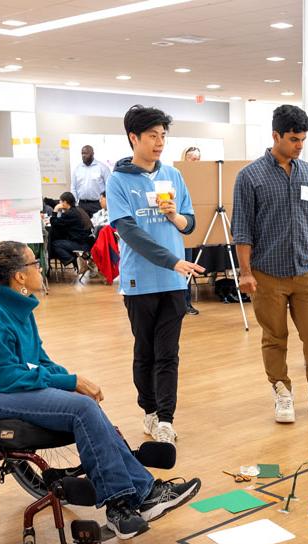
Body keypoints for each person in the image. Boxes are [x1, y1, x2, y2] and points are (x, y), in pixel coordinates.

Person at [0, 241, 201, 539]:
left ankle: (143, 493)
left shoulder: (19, 306)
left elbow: (39, 361)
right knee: (81, 408)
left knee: (85, 405)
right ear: (19, 276)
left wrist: (72, 379)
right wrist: (70, 383)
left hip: (7, 386)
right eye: (34, 263)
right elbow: (6, 377)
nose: (40, 268)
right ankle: (119, 504)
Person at [232, 105, 308, 424]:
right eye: (294, 139)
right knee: (275, 337)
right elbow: (242, 229)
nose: (300, 145)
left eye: (303, 139)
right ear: (275, 136)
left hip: (307, 271)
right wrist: (246, 272)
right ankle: (282, 392)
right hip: (267, 275)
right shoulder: (250, 177)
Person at [107, 105, 204, 445]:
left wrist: (176, 216)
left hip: (174, 282)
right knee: (145, 351)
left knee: (169, 353)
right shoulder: (118, 180)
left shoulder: (173, 175)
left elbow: (190, 223)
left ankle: (165, 418)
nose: (159, 142)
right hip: (140, 282)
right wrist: (172, 261)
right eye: (152, 136)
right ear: (134, 137)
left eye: (163, 135)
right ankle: (148, 410)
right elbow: (129, 232)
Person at [180, 146, 200, 315]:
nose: (195, 161)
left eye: (198, 158)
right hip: (179, 229)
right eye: (192, 158)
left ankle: (186, 302)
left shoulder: (202, 180)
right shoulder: (177, 177)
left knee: (188, 266)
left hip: (193, 229)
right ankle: (180, 303)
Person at [48, 191, 94, 267]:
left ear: (65, 202)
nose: (59, 203)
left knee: (54, 244)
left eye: (60, 201)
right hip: (87, 242)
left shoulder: (71, 214)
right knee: (60, 240)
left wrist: (55, 210)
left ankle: (74, 261)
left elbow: (54, 222)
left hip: (82, 245)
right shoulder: (78, 210)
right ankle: (76, 260)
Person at [72, 145, 111, 217]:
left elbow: (109, 186)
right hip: (82, 204)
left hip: (97, 204)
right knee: (83, 226)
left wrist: (106, 202)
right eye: (82, 153)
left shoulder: (102, 168)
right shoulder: (77, 169)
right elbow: (73, 187)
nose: (83, 155)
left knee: (98, 226)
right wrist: (74, 204)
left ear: (92, 154)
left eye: (86, 153)